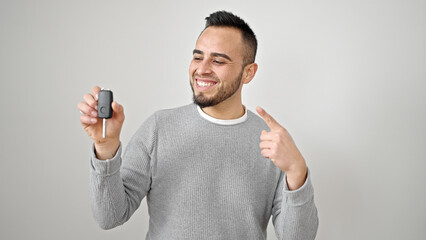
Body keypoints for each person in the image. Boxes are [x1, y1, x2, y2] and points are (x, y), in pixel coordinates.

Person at [78, 10, 318, 240]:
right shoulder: (158, 129)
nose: (202, 69)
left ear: (248, 73)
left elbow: (298, 237)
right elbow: (109, 217)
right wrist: (106, 149)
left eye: (218, 61)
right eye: (197, 56)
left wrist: (297, 171)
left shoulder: (271, 144)